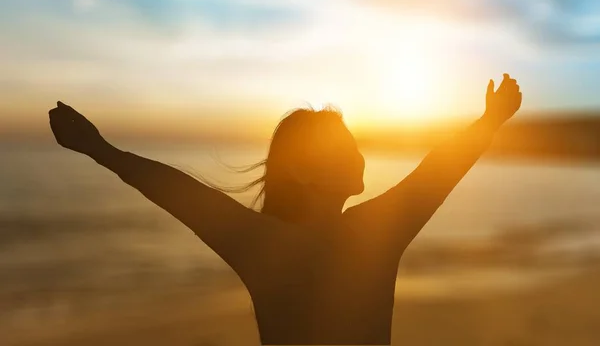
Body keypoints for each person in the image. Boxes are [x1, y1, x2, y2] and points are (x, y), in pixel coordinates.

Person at [49, 74, 522, 346]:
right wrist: (488, 123)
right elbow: (180, 192)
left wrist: (101, 150)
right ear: (301, 172)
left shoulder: (263, 243)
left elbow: (179, 192)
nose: (358, 158)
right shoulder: (370, 233)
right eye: (343, 150)